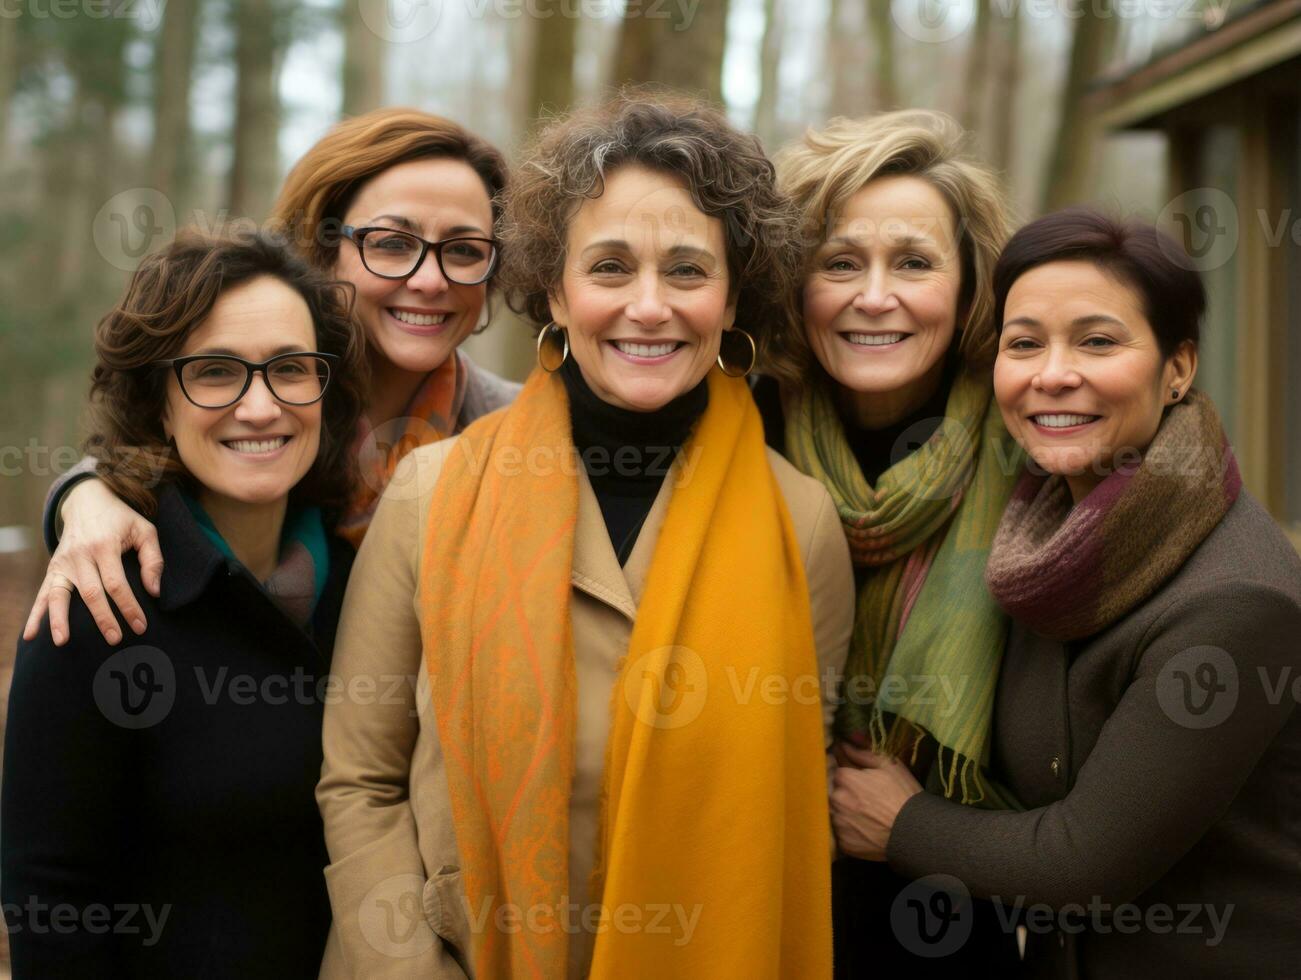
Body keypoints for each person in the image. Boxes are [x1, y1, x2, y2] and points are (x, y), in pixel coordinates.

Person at [315, 93, 854, 979]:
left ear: (731, 299)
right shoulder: (431, 489)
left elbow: (800, 796)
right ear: (554, 295)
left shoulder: (799, 521)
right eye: (609, 268)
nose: (649, 307)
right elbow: (359, 780)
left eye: (686, 271)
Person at [832, 208, 1301, 978]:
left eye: (1097, 341)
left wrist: (900, 822)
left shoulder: (1233, 599)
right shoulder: (1037, 545)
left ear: (1176, 368)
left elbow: (1085, 861)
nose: (1051, 374)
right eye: (1023, 344)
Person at [2, 232, 366, 977]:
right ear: (159, 405)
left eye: (290, 370)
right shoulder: (101, 604)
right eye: (214, 372)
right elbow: (52, 901)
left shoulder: (370, 584)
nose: (259, 406)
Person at [23, 108, 518, 646]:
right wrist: (82, 494)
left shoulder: (520, 431)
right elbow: (144, 453)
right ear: (323, 249)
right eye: (391, 243)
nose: (429, 279)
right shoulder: (268, 414)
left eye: (466, 250)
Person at [758, 109, 1022, 971]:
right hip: (753, 901)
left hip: (962, 921)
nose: (875, 296)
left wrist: (923, 824)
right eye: (839, 263)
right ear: (794, 286)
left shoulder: (1038, 449)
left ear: (971, 283)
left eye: (913, 261)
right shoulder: (731, 437)